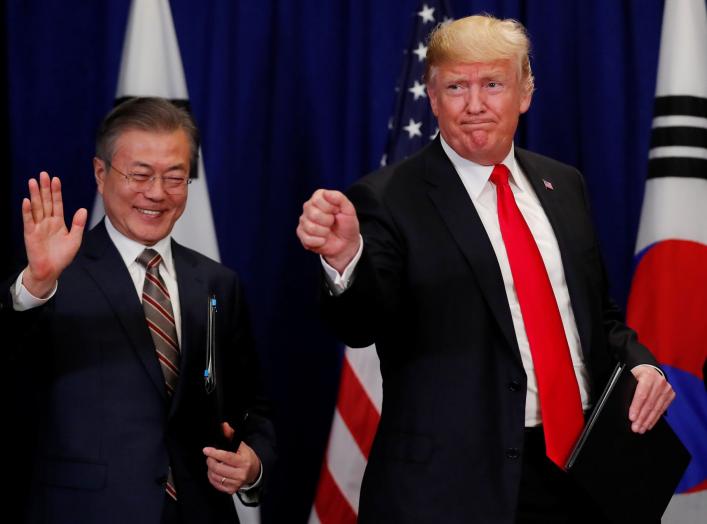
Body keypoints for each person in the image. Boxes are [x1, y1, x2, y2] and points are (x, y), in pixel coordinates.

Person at [297, 14, 675, 524]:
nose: (475, 105)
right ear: (432, 98)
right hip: (452, 489)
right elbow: (361, 324)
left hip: (582, 471)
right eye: (456, 86)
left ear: (525, 92)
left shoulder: (564, 185)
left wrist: (641, 365)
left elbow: (593, 316)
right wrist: (345, 259)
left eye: (493, 84)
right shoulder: (387, 198)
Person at [3, 97, 276, 524]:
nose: (156, 193)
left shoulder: (218, 283)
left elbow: (251, 407)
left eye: (175, 177)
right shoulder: (51, 277)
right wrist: (37, 286)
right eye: (140, 174)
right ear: (100, 173)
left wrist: (253, 463)